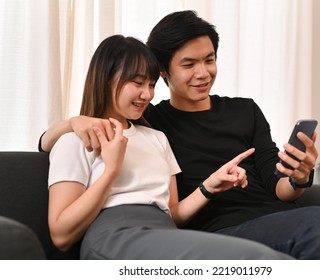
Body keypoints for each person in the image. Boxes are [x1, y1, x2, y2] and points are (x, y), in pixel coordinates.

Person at [40, 11, 320, 259]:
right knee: (316, 223)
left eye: (210, 60)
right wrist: (73, 121)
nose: (203, 73)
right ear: (164, 72)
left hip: (283, 217)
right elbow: (52, 144)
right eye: (189, 64)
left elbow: (278, 187)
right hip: (222, 231)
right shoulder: (153, 120)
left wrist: (298, 176)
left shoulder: (240, 111)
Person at [47, 34, 291, 260]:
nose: (147, 94)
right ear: (106, 79)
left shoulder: (156, 138)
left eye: (151, 84)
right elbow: (61, 235)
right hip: (116, 236)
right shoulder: (76, 139)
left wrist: (209, 185)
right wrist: (111, 170)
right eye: (137, 83)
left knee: (275, 260)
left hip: (165, 231)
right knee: (258, 259)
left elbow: (172, 214)